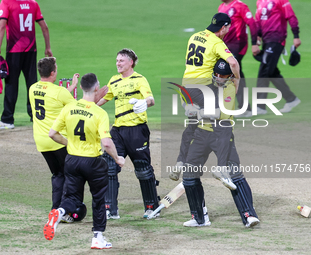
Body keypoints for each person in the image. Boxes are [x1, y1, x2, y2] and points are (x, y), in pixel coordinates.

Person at [45, 73, 125, 249]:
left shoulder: (69, 108)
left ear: (80, 87)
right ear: (97, 88)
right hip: (93, 163)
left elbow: (52, 134)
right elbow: (106, 142)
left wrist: (69, 144)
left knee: (72, 198)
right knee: (98, 199)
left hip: (72, 160)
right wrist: (117, 158)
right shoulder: (100, 113)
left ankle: (59, 212)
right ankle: (97, 237)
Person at [182, 59, 260, 228]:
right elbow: (186, 98)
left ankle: (249, 215)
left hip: (222, 134)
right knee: (189, 174)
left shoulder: (230, 87)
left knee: (234, 174)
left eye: (223, 75)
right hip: (202, 134)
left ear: (230, 75)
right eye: (216, 74)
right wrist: (187, 105)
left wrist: (197, 111)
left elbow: (220, 114)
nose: (219, 77)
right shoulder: (204, 85)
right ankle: (199, 218)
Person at [169, 13, 240, 186]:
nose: (228, 31)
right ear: (223, 27)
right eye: (228, 28)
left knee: (192, 124)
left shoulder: (195, 36)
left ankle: (180, 162)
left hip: (185, 88)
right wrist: (237, 78)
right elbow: (233, 63)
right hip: (202, 89)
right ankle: (221, 168)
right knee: (221, 122)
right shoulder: (217, 43)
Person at [97, 48, 160, 219]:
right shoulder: (114, 80)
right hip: (118, 130)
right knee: (109, 166)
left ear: (131, 62)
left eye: (121, 61)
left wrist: (144, 103)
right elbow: (102, 100)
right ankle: (110, 209)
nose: (117, 63)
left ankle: (151, 206)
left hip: (137, 130)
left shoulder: (140, 80)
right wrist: (87, 105)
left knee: (143, 170)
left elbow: (151, 99)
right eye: (117, 60)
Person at [29, 57, 78, 222]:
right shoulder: (59, 92)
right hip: (58, 140)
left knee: (57, 174)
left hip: (41, 141)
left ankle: (55, 209)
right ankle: (64, 212)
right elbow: (76, 108)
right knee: (70, 175)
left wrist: (71, 87)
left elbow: (54, 98)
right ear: (53, 73)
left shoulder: (32, 88)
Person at [0, 0, 52, 129]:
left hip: (14, 50)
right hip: (31, 50)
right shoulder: (33, 4)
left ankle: (7, 119)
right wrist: (48, 47)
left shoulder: (6, 3)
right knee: (32, 82)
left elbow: (2, 25)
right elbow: (44, 27)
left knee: (11, 83)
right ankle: (36, 116)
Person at [255, 0, 301, 114]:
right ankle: (291, 99)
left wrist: (296, 36)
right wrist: (257, 36)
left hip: (277, 38)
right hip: (266, 40)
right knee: (271, 71)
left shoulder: (281, 0)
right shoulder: (259, 2)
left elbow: (291, 16)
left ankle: (260, 107)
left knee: (264, 71)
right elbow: (259, 21)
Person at [218, 0, 259, 117]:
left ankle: (243, 108)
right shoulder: (221, 7)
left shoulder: (240, 6)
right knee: (235, 75)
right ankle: (245, 108)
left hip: (238, 44)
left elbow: (251, 23)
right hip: (225, 46)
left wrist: (255, 43)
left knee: (229, 72)